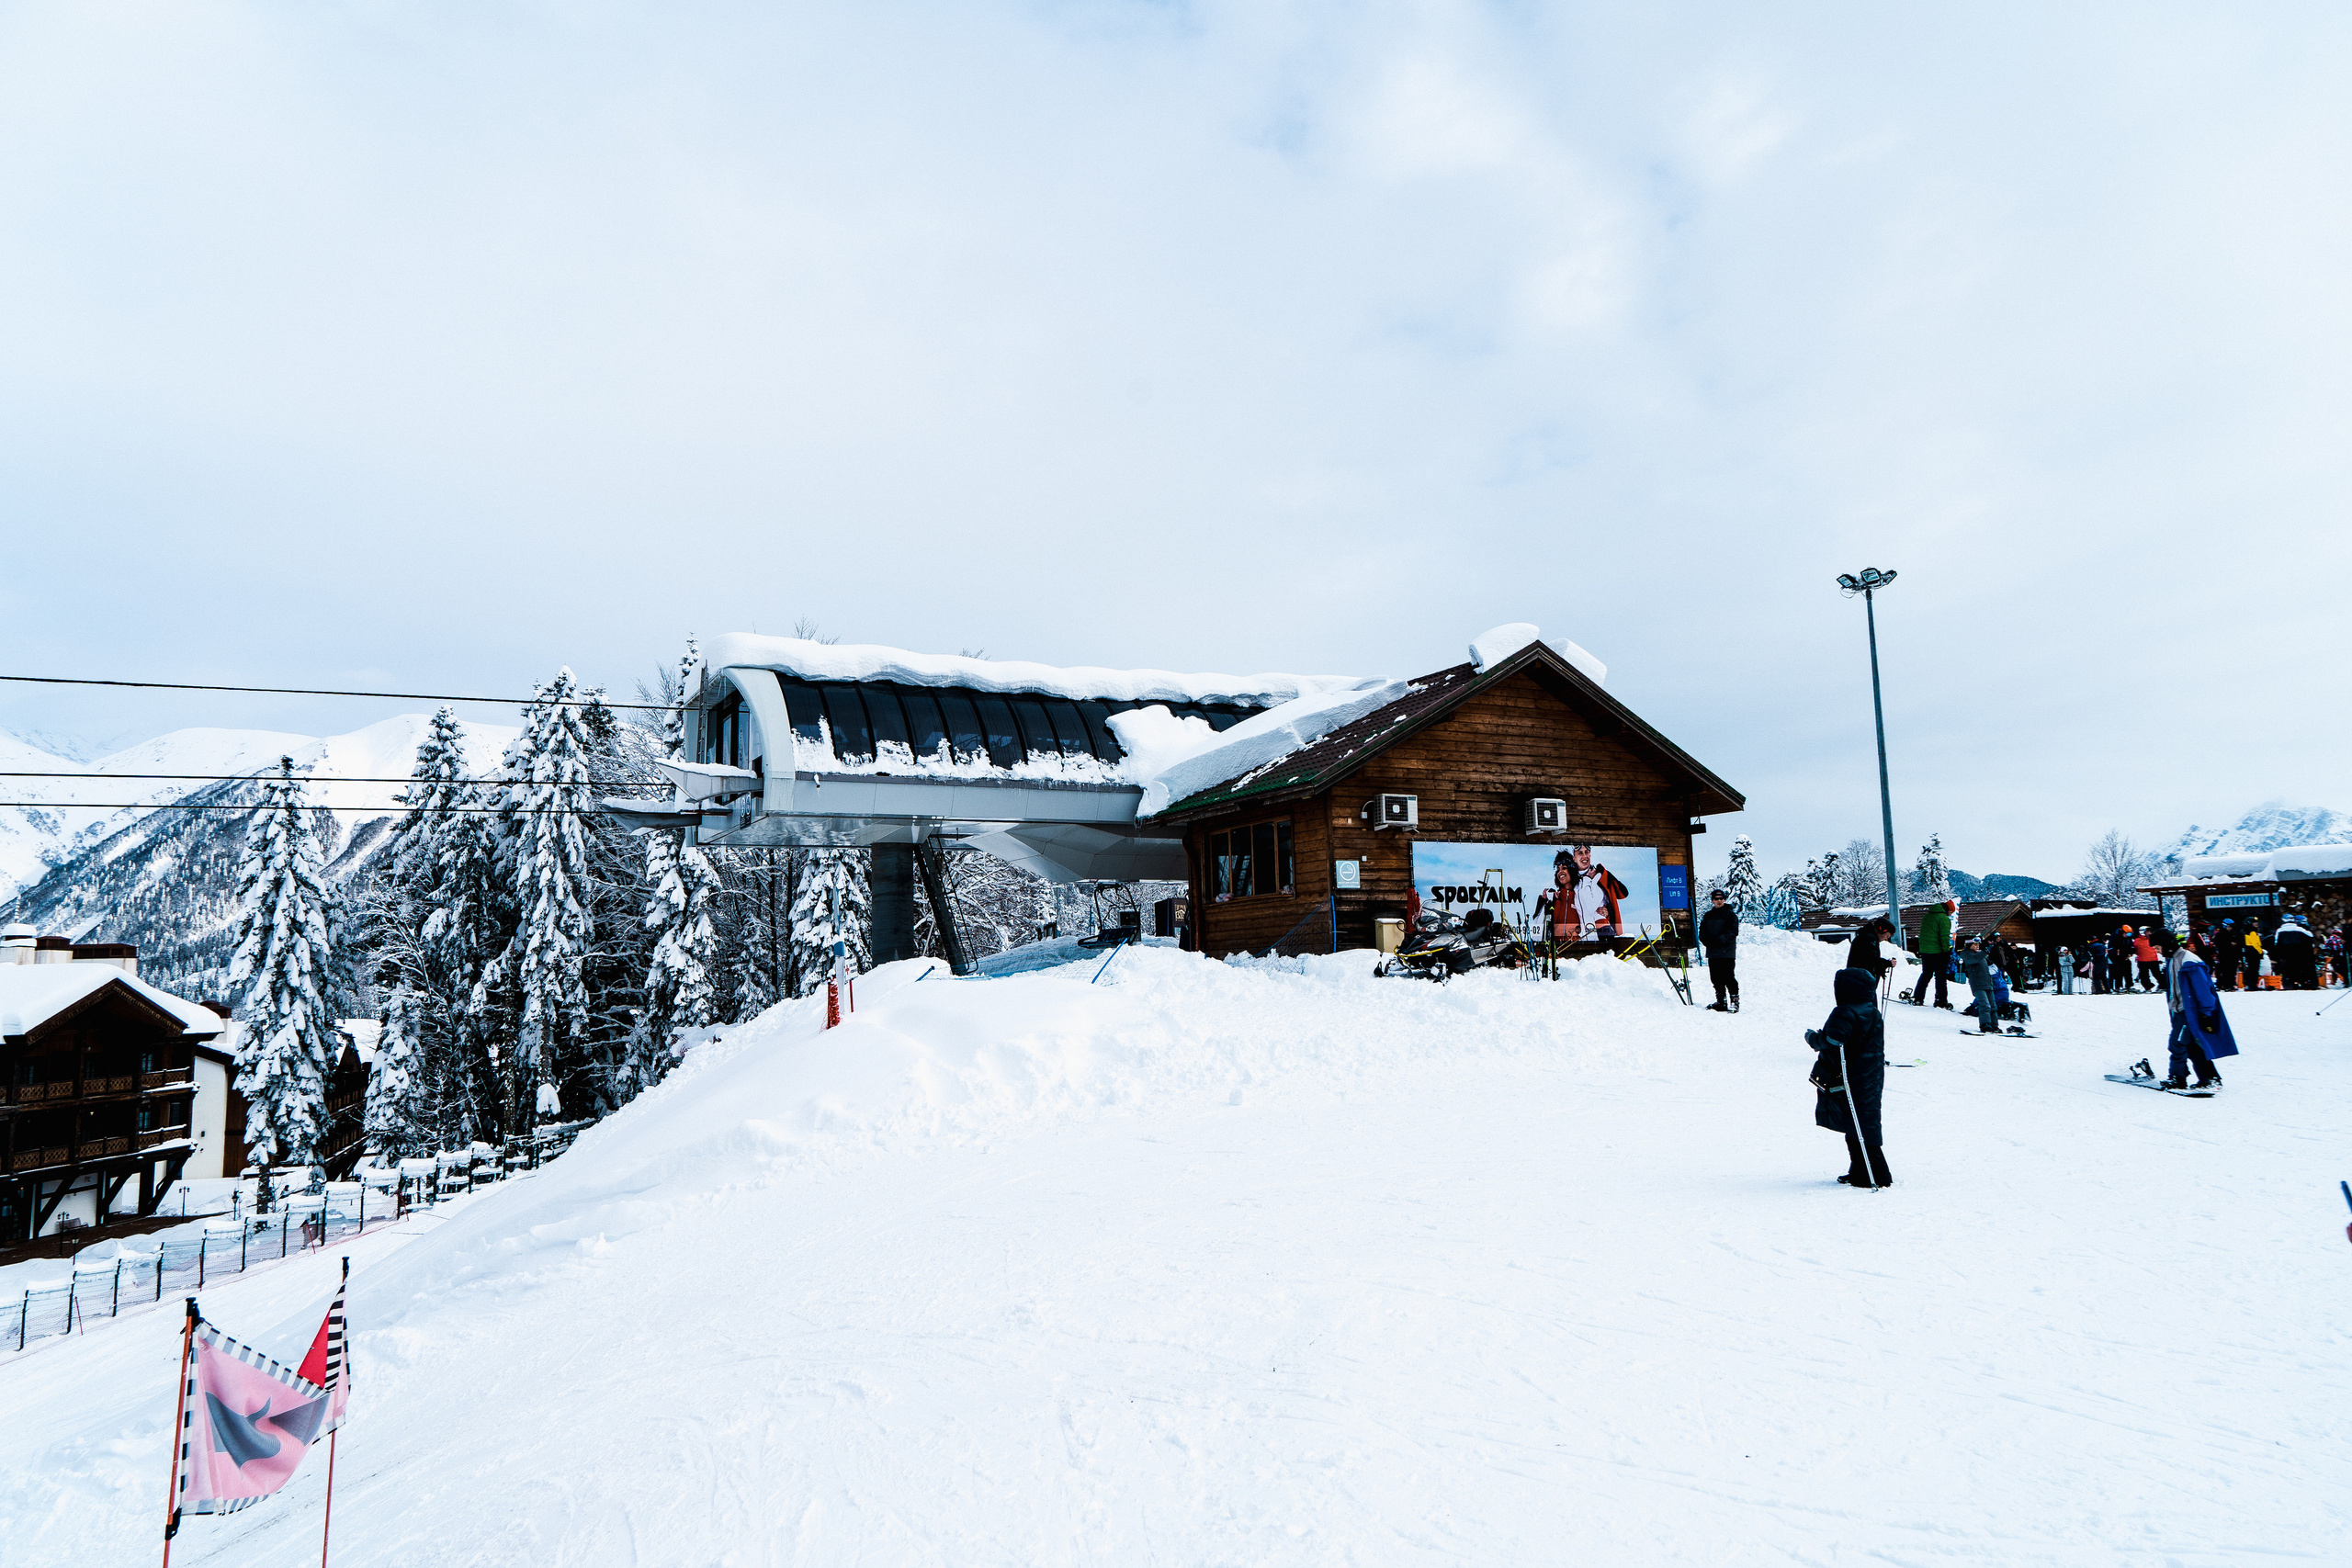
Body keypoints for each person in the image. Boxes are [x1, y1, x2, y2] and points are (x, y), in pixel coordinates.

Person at [1806, 967, 1891, 1188]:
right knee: (1862, 1120)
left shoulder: (1845, 1011)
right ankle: (1862, 1171)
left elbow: (1834, 1040)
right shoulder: (1872, 1010)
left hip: (1851, 1073)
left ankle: (1875, 1175)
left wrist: (1813, 1038)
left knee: (1857, 1119)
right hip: (1870, 1072)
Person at [2159, 930, 2235, 1090]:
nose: (2157, 951)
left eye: (2158, 947)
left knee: (2177, 1044)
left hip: (2190, 1012)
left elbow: (2204, 990)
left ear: (2167, 945)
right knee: (2192, 1046)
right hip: (2181, 1011)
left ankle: (2177, 1078)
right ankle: (2210, 1078)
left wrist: (2206, 1014)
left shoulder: (2189, 961)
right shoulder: (2172, 959)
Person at [1699, 888, 1741, 1011]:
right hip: (1713, 952)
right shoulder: (1708, 916)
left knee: (1728, 977)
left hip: (1726, 952)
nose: (1719, 901)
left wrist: (1721, 940)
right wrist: (1706, 941)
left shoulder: (1730, 915)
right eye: (1716, 899)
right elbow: (1702, 932)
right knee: (1715, 978)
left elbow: (1733, 932)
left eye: (1721, 899)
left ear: (1724, 900)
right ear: (1712, 900)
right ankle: (1721, 1002)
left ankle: (1735, 1002)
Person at [1910, 897, 1955, 1009]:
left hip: (1925, 950)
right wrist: (1946, 951)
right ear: (1947, 910)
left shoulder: (1928, 915)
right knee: (1940, 976)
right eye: (1950, 912)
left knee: (1926, 974)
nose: (1950, 915)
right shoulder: (1943, 918)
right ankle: (1941, 1001)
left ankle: (1918, 997)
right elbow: (1944, 937)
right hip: (1937, 952)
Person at [1957, 936, 2002, 1035]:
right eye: (1975, 945)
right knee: (1984, 1005)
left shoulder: (1980, 955)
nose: (1977, 946)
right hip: (1977, 984)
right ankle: (1985, 1024)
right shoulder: (1967, 954)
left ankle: (1994, 1025)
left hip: (1987, 983)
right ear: (1969, 946)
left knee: (1993, 1006)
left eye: (1978, 945)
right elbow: (1975, 959)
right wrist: (1985, 951)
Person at [2270, 916, 2317, 989]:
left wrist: (2279, 955)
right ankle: (2304, 982)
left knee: (2287, 972)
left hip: (2285, 956)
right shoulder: (2300, 930)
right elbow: (2310, 937)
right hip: (2300, 955)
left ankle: (2289, 984)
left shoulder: (2279, 931)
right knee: (2301, 969)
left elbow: (2276, 943)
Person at [1846, 918, 1894, 983]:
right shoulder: (1870, 939)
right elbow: (1871, 960)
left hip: (1855, 980)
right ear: (1882, 930)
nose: (1886, 939)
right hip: (1861, 982)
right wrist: (1888, 963)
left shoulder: (1864, 936)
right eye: (1887, 936)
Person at [2132, 926, 2164, 991]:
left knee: (2157, 974)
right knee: (2144, 976)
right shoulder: (2137, 941)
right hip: (2142, 961)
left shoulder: (2153, 939)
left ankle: (2163, 986)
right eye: (2147, 932)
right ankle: (2148, 987)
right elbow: (2135, 949)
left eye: (2149, 931)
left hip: (2153, 960)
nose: (2149, 933)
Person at [2241, 925, 2265, 991]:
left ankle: (2250, 984)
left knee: (2250, 969)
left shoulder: (2246, 932)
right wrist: (2260, 951)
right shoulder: (2253, 932)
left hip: (2249, 952)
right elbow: (2255, 943)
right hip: (2254, 952)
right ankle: (2253, 985)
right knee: (2254, 969)